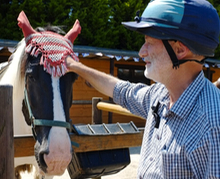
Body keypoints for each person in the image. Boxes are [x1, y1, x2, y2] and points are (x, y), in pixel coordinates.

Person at [65, 0, 220, 178]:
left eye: (148, 42)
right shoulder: (159, 96)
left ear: (179, 50)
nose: (141, 52)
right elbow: (119, 89)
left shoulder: (212, 124)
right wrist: (75, 66)